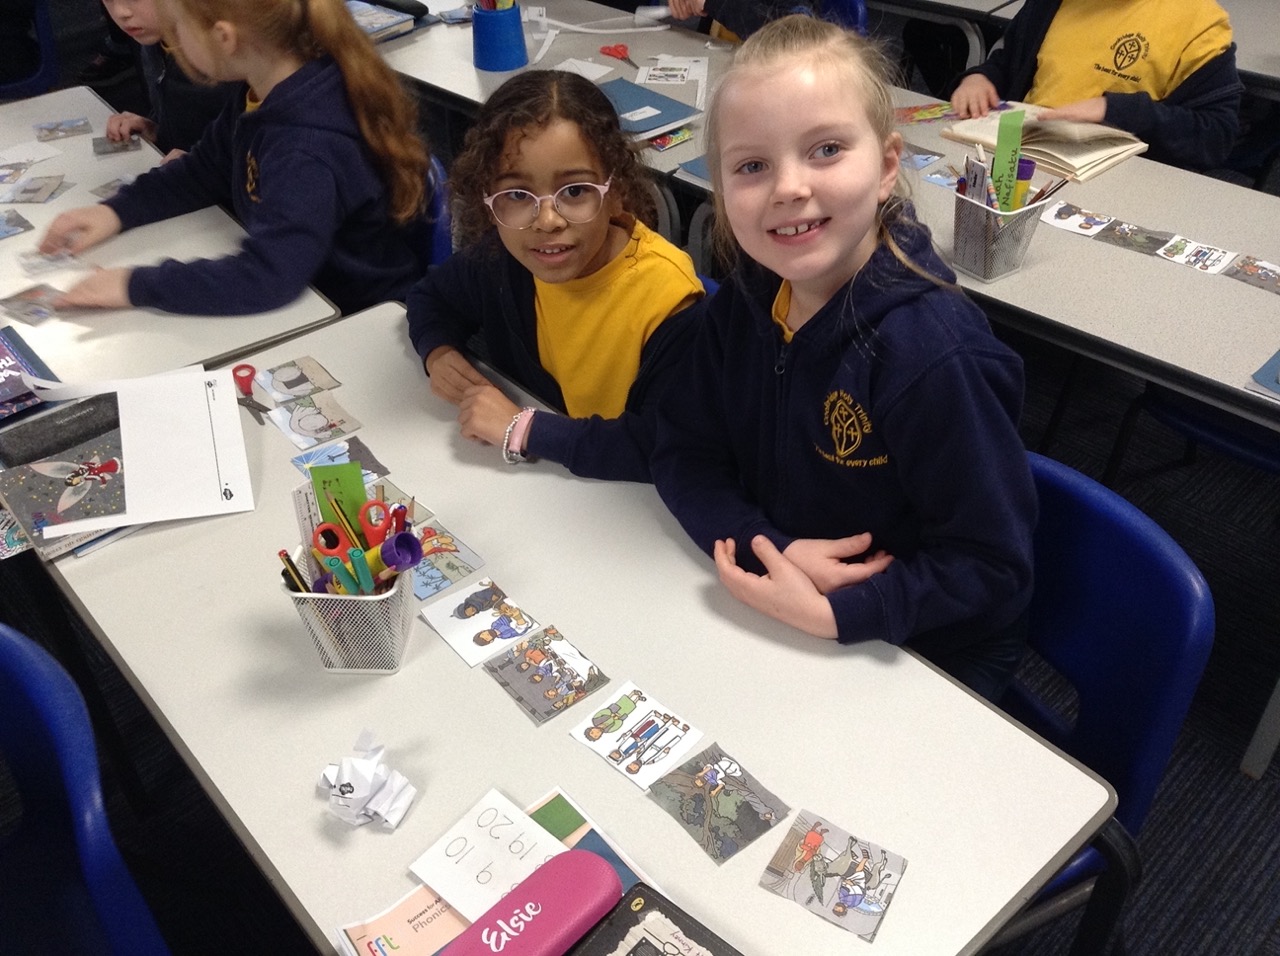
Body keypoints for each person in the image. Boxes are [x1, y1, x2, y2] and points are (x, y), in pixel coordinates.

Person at [650, 15, 1037, 700]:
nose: (788, 187)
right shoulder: (748, 298)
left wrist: (837, 615)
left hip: (920, 644)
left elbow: (991, 568)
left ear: (887, 167)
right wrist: (769, 545)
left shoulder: (934, 355)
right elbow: (682, 450)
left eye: (825, 150)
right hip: (788, 601)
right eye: (751, 166)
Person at [406, 70, 705, 483]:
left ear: (616, 191)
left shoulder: (667, 303)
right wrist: (438, 352)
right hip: (547, 487)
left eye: (575, 191)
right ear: (488, 201)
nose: (547, 221)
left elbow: (668, 447)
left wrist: (524, 429)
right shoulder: (507, 256)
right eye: (517, 195)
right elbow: (431, 298)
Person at [39, 0, 427, 317]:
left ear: (224, 38)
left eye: (179, 28)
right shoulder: (260, 90)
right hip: (309, 290)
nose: (173, 42)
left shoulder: (304, 147)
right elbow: (201, 171)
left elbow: (268, 276)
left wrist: (134, 285)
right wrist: (115, 212)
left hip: (353, 314)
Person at [949, 0, 1243, 171]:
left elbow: (1216, 135)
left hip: (1118, 178)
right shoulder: (1053, 4)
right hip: (1021, 157)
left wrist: (1118, 111)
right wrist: (981, 77)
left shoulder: (1198, 23)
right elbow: (1013, 61)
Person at [98, 0, 238, 159]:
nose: (120, 13)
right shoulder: (152, 44)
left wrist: (209, 167)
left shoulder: (231, 61)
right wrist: (155, 130)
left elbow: (251, 149)